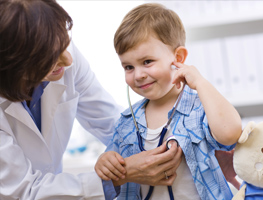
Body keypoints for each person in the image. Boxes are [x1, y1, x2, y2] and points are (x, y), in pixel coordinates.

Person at [0, 1, 183, 199]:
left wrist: (165, 144)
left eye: (64, 42)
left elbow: (113, 124)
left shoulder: (58, 50)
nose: (68, 60)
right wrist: (117, 174)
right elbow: (23, 192)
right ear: (15, 66)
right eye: (50, 59)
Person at [95, 3, 242, 200]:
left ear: (178, 57)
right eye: (128, 67)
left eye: (147, 62)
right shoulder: (126, 121)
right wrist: (104, 162)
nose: (138, 75)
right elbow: (111, 164)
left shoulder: (199, 108)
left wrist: (200, 83)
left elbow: (230, 133)